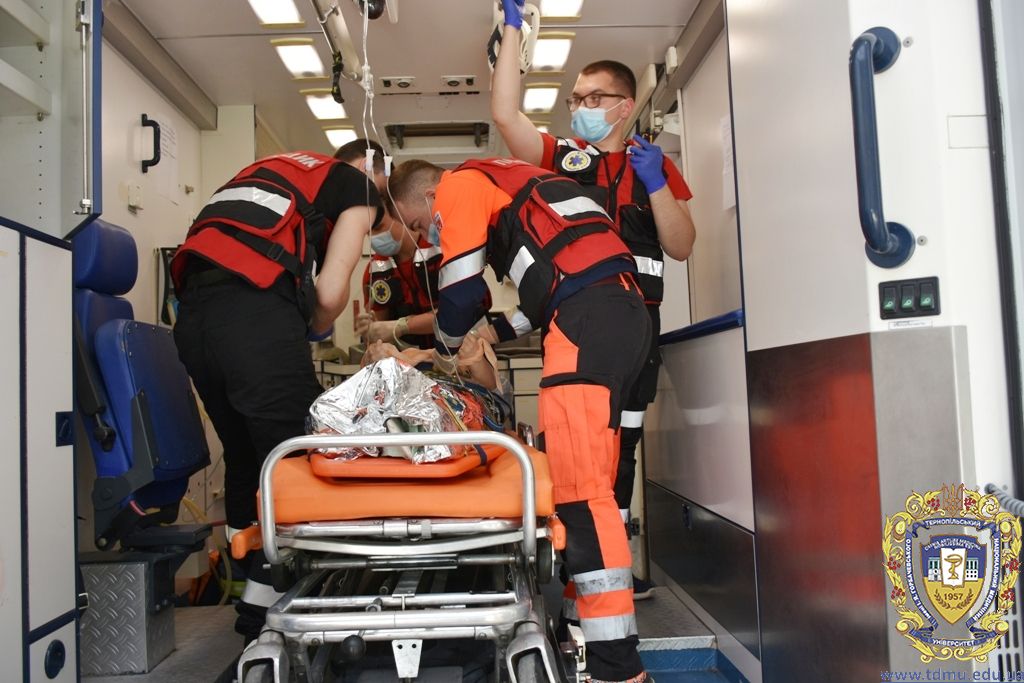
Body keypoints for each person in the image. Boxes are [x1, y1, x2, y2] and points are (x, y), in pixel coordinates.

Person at [388, 157, 652, 683]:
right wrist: (491, 334)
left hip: (584, 323)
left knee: (581, 496)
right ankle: (580, 625)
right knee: (595, 489)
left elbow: (461, 291)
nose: (426, 237)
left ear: (429, 196)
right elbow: (548, 290)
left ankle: (618, 668)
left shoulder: (459, 186)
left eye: (419, 224)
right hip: (623, 314)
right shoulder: (523, 190)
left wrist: (441, 352)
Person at [491, 0, 696, 600]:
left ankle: (611, 569)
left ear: (624, 106)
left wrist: (656, 183)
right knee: (576, 448)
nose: (579, 107)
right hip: (578, 327)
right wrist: (511, 31)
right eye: (575, 98)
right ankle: (574, 565)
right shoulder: (565, 160)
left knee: (621, 449)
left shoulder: (654, 169)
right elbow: (505, 115)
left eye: (592, 97)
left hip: (639, 333)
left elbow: (682, 245)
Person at [169, 139, 386, 653]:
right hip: (251, 315)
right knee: (297, 457)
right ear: (368, 168)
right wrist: (311, 325)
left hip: (193, 319)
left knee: (248, 456)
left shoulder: (272, 171)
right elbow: (329, 295)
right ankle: (270, 613)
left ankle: (248, 583)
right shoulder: (358, 186)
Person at [358, 214, 443, 349]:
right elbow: (381, 328)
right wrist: (373, 330)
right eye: (368, 232)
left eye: (378, 227)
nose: (374, 237)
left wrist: (401, 326)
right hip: (409, 357)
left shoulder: (440, 249)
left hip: (463, 351)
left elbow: (457, 312)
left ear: (398, 215)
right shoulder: (376, 270)